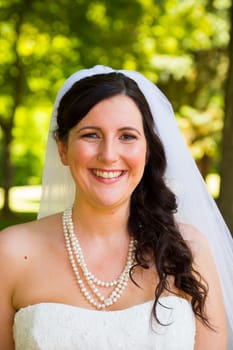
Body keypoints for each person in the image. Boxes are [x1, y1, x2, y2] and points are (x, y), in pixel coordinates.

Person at [0, 65, 232, 350]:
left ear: (147, 150)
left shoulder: (190, 251)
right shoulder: (10, 253)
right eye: (91, 135)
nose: (109, 155)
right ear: (62, 147)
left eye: (127, 136)